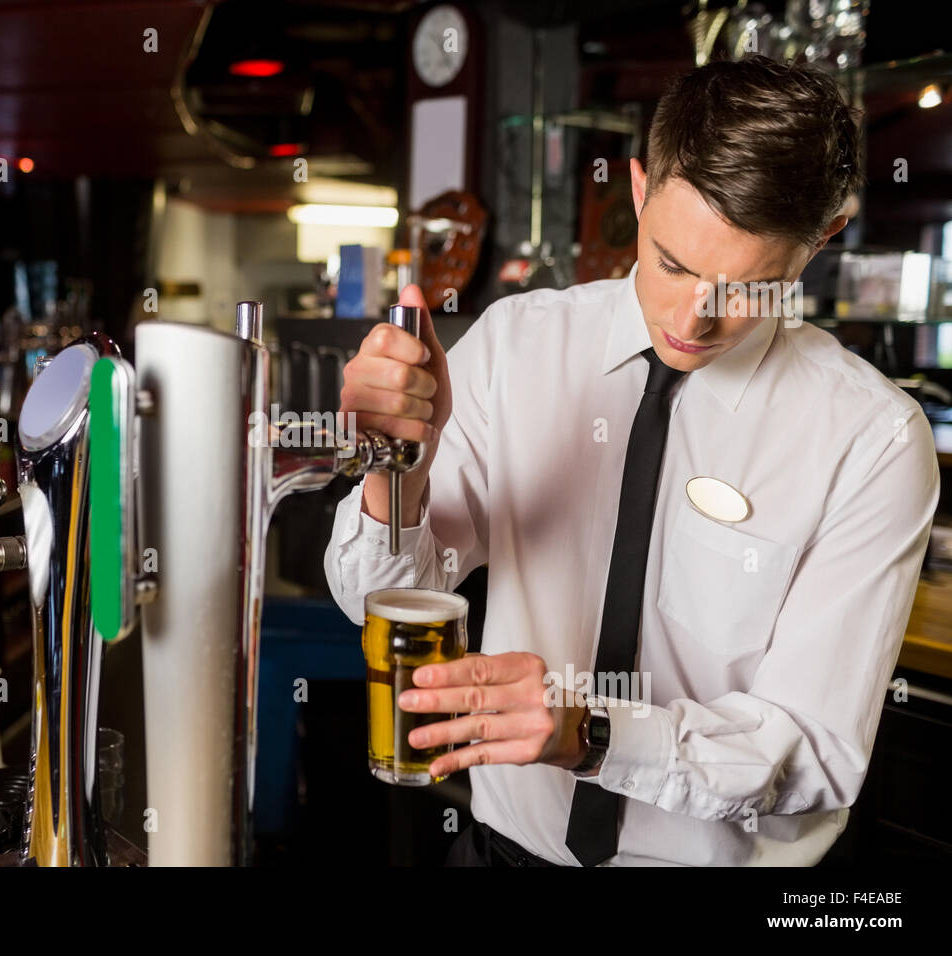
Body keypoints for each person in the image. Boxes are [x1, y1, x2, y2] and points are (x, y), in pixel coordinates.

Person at [324, 55, 939, 866]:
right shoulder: (517, 345)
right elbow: (370, 597)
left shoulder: (873, 440)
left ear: (820, 242)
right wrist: (394, 466)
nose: (695, 318)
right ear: (640, 191)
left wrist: (593, 733)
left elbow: (813, 755)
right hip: (500, 854)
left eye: (750, 287)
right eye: (673, 264)